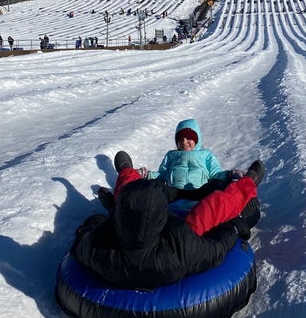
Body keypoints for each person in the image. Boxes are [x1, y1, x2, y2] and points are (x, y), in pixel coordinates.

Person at [70, 152, 264, 289]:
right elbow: (217, 249)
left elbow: (82, 240)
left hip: (124, 239)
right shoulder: (183, 251)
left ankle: (126, 172)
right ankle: (247, 183)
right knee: (213, 208)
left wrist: (95, 221)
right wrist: (234, 228)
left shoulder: (98, 250)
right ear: (162, 214)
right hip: (170, 243)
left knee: (130, 194)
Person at [98, 119, 244, 210]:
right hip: (174, 192)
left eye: (189, 138)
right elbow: (162, 175)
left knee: (218, 186)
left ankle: (239, 206)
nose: (184, 142)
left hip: (199, 191)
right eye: (180, 139)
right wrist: (147, 174)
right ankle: (124, 203)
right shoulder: (171, 155)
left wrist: (229, 174)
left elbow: (215, 173)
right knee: (153, 187)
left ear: (197, 139)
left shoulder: (205, 154)